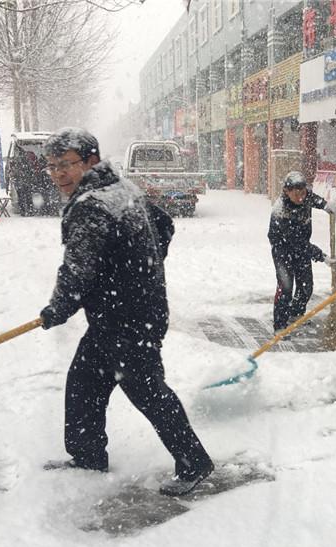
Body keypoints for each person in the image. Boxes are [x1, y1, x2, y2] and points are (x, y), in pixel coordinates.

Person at [38, 127, 212, 497]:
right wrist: (139, 265)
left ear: (91, 161)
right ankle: (87, 456)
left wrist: (58, 307)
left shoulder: (92, 205)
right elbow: (164, 224)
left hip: (125, 319)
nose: (57, 174)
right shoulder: (121, 189)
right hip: (127, 312)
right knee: (85, 381)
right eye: (52, 166)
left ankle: (194, 462)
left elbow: (78, 270)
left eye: (66, 165)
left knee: (145, 388)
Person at [268, 171, 335, 333]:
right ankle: (280, 324)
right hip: (283, 250)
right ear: (286, 191)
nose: (300, 197)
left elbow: (313, 198)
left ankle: (296, 315)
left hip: (301, 247)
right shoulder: (281, 212)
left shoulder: (305, 196)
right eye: (296, 193)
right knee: (286, 287)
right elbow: (298, 243)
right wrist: (322, 256)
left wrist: (325, 205)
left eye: (303, 192)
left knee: (306, 286)